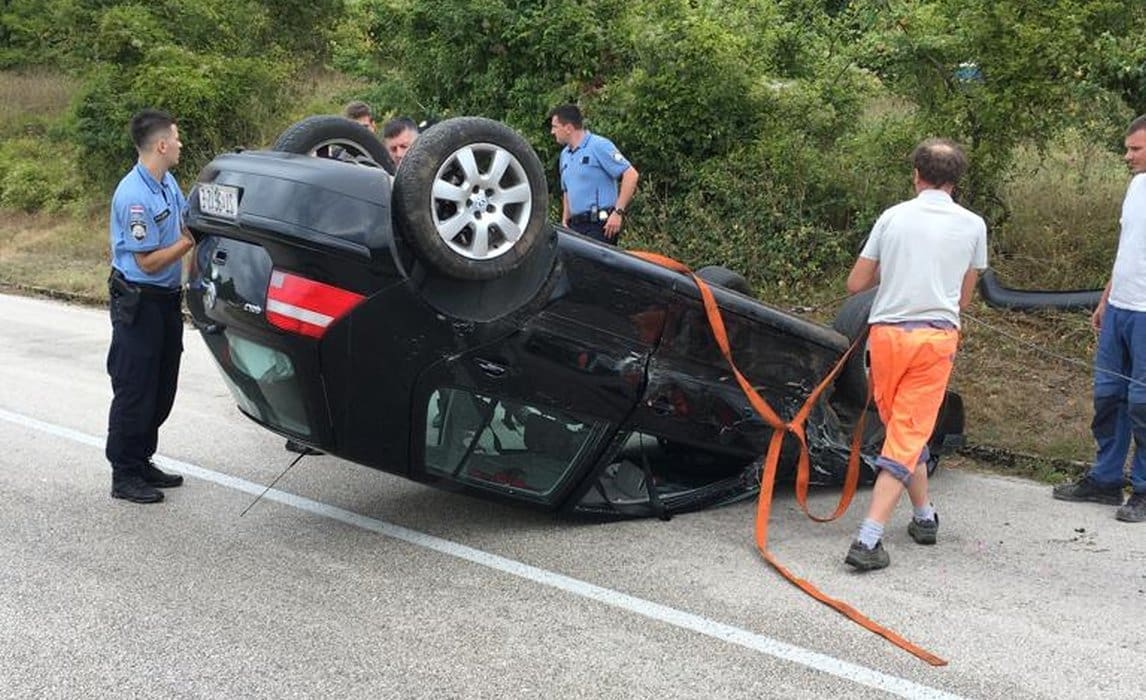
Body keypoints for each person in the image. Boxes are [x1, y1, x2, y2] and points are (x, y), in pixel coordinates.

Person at [843, 138, 988, 570]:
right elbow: (963, 299)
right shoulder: (973, 225)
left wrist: (895, 271)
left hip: (886, 337)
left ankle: (924, 518)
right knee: (907, 434)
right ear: (955, 182)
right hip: (935, 338)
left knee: (904, 430)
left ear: (916, 175)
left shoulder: (893, 217)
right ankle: (867, 540)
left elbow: (856, 284)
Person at [1052, 115, 1146, 522]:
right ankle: (1106, 479)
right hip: (1120, 309)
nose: (1127, 156)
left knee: (1144, 404)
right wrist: (1107, 298)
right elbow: (1128, 247)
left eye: (1136, 149)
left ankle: (1143, 489)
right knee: (1108, 396)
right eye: (1128, 148)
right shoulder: (1137, 185)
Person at [105, 109, 196, 504]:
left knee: (161, 386)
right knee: (135, 389)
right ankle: (124, 473)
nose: (179, 144)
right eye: (175, 138)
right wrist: (189, 242)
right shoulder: (134, 195)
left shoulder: (166, 182)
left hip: (164, 301)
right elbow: (147, 261)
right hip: (138, 302)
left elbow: (181, 223)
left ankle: (142, 460)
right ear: (161, 145)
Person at [548, 104, 639, 245]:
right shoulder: (565, 155)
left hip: (599, 225)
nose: (552, 132)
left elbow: (631, 174)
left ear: (568, 128)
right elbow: (567, 190)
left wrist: (618, 212)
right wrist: (565, 220)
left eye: (555, 127)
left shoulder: (598, 146)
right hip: (575, 227)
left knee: (594, 267)